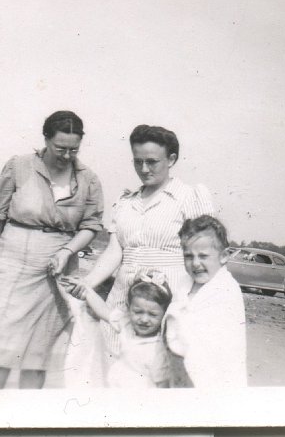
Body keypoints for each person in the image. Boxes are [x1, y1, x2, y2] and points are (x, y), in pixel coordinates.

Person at [0, 110, 104, 389]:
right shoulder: (18, 166)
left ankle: (25, 419)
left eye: (74, 150)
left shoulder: (89, 179)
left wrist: (67, 252)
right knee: (1, 352)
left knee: (37, 355)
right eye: (60, 148)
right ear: (45, 139)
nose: (67, 156)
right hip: (11, 264)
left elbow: (91, 225)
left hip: (56, 271)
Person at [68, 124, 214, 360]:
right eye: (137, 161)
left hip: (168, 300)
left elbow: (206, 255)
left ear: (171, 159)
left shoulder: (188, 197)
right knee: (117, 368)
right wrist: (87, 283)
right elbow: (115, 252)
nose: (144, 169)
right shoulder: (126, 202)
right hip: (124, 299)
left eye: (152, 161)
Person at [164, 215, 247, 388]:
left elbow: (213, 347)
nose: (195, 263)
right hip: (178, 370)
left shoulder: (225, 291)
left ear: (223, 256)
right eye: (188, 256)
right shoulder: (185, 284)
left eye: (203, 256)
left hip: (209, 380)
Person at [62, 270, 171, 388]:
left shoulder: (159, 349)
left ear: (164, 314)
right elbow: (103, 310)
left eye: (152, 314)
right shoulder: (127, 324)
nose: (144, 319)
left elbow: (162, 387)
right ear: (128, 308)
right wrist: (86, 290)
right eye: (138, 312)